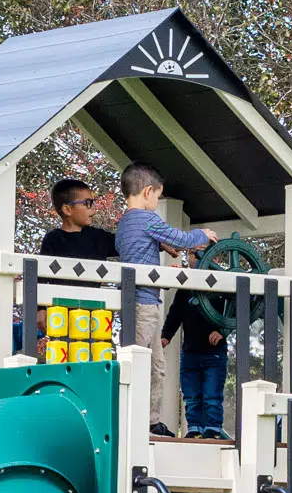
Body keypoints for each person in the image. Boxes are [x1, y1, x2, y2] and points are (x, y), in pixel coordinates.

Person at [113, 163, 216, 435]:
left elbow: (134, 247)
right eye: (158, 196)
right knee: (139, 363)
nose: (157, 202)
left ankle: (149, 420)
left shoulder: (125, 223)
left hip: (143, 303)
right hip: (144, 303)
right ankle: (136, 419)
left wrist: (157, 244)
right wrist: (202, 235)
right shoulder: (147, 219)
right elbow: (181, 238)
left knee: (155, 365)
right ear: (148, 192)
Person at [165, 287, 230, 438]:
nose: (194, 261)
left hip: (214, 354)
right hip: (190, 352)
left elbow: (235, 312)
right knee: (191, 396)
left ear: (216, 261)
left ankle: (213, 429)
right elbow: (175, 314)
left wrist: (222, 331)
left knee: (212, 396)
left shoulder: (224, 287)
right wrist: (166, 335)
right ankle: (194, 428)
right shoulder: (185, 289)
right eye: (193, 260)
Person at [37, 178, 117, 261]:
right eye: (87, 203)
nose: (93, 208)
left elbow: (126, 244)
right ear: (67, 210)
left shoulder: (100, 237)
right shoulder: (54, 240)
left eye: (92, 203)